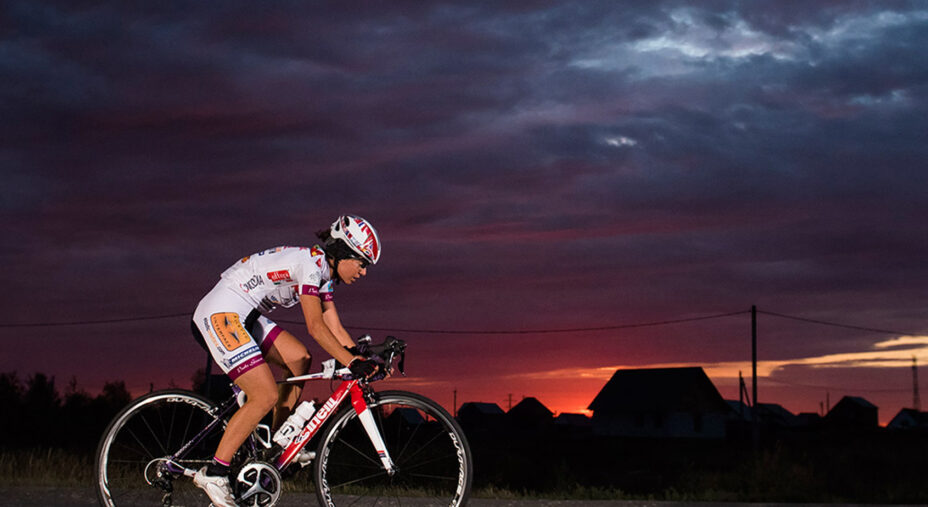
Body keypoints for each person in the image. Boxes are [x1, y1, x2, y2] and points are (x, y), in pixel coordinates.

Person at [190, 215, 381, 507]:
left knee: (300, 359)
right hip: (222, 311)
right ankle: (215, 472)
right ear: (344, 253)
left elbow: (335, 328)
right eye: (362, 263)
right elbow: (316, 327)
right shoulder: (308, 266)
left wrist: (361, 356)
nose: (363, 272)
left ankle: (279, 445)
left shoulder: (323, 272)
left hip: (246, 315)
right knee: (264, 394)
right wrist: (351, 362)